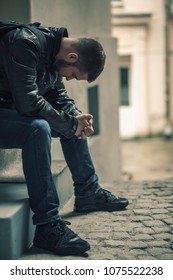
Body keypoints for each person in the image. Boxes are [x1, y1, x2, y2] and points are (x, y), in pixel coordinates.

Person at [0, 22, 129, 256]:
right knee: (37, 128)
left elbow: (56, 94)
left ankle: (88, 192)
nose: (69, 79)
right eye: (73, 75)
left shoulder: (50, 51)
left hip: (7, 111)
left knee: (70, 121)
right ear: (72, 56)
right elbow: (28, 102)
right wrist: (70, 123)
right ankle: (47, 226)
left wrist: (77, 117)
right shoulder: (24, 43)